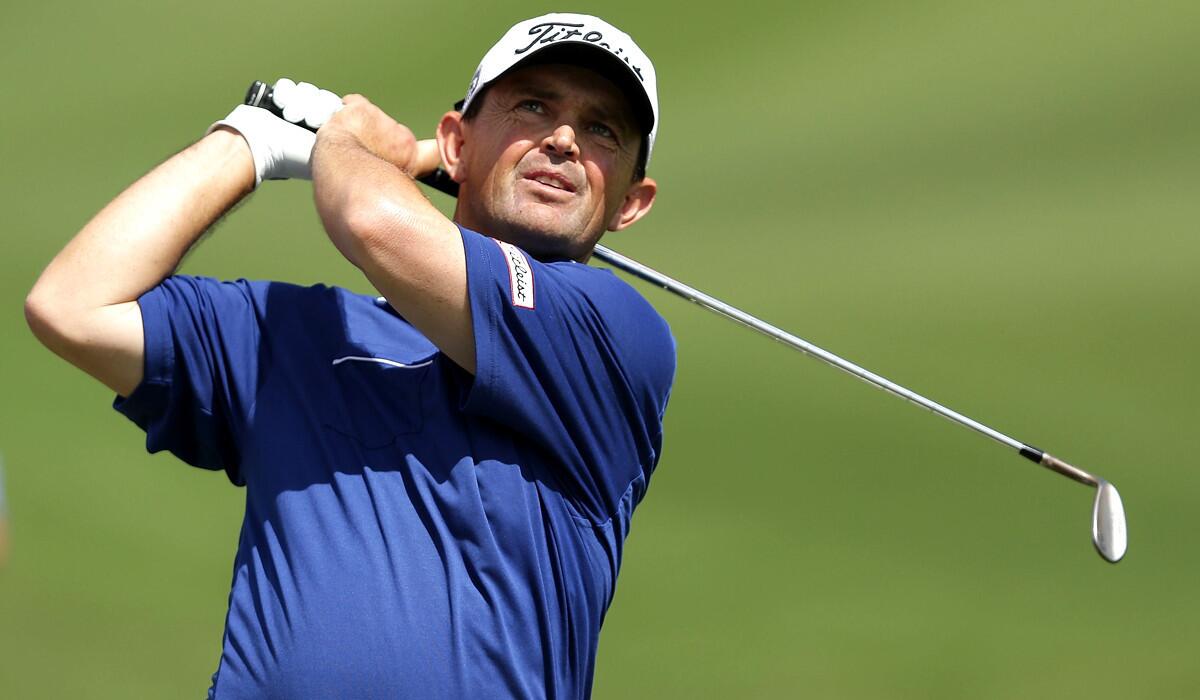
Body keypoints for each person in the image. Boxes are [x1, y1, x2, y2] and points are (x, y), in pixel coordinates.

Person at [24, 12, 673, 699]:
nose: (565, 139)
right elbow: (71, 305)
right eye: (533, 106)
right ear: (455, 141)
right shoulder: (297, 333)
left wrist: (352, 142)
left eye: (602, 129)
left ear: (631, 202)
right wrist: (250, 138)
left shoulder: (615, 336)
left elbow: (372, 220)